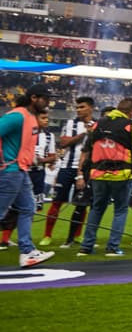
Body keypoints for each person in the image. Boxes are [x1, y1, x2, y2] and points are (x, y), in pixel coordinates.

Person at [77, 98, 132, 257]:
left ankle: (86, 247)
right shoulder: (131, 125)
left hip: (98, 173)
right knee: (120, 210)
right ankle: (113, 247)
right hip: (121, 175)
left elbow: (88, 147)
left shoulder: (97, 124)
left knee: (97, 208)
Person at [0, 83, 55, 267]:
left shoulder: (30, 117)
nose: (47, 103)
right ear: (34, 98)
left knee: (28, 208)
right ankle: (27, 250)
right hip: (10, 171)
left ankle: (28, 251)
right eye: (45, 99)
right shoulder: (18, 116)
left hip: (21, 171)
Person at [41, 95, 95, 248]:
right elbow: (64, 143)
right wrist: (84, 133)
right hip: (66, 167)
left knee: (82, 204)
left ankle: (76, 235)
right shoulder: (71, 123)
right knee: (57, 202)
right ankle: (47, 235)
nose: (78, 110)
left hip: (85, 170)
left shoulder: (98, 124)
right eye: (77, 107)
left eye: (82, 107)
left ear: (91, 108)